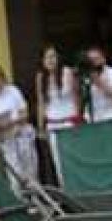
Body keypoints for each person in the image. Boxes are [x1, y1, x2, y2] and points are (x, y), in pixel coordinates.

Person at [0, 63, 38, 187]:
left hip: (22, 136)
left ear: (2, 76)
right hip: (5, 142)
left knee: (32, 175)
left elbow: (24, 114)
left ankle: (37, 203)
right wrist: (12, 121)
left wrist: (3, 121)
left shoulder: (13, 90)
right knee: (15, 179)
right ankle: (23, 204)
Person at [34, 44, 80, 184]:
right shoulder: (41, 77)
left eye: (53, 56)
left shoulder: (68, 72)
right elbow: (41, 102)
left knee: (74, 158)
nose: (51, 60)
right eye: (47, 57)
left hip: (70, 121)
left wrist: (79, 119)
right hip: (53, 124)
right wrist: (41, 127)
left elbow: (76, 96)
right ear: (42, 60)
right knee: (57, 161)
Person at [82, 45, 112, 122]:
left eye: (96, 59)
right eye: (90, 60)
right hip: (95, 121)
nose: (94, 62)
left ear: (103, 59)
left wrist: (98, 82)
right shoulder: (86, 78)